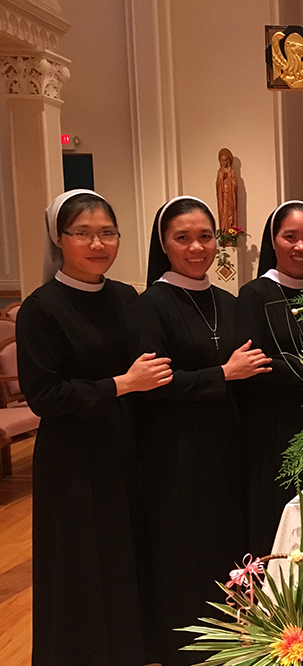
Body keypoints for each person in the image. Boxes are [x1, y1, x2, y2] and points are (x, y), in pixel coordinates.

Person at [18, 191, 172, 666]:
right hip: (73, 458)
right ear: (58, 240)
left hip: (125, 446)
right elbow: (46, 395)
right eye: (82, 233)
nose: (97, 243)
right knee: (82, 561)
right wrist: (121, 384)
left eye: (107, 232)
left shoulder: (126, 298)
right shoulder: (41, 309)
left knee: (125, 553)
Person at [128, 196, 271, 666]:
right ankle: (181, 650)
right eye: (182, 238)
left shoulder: (228, 303)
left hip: (226, 447)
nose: (196, 248)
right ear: (163, 244)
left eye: (205, 236)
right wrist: (223, 375)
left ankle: (232, 642)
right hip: (173, 450)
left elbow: (255, 370)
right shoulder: (149, 305)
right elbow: (152, 386)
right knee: (181, 549)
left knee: (225, 547)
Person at [236, 200, 303, 556]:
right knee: (275, 519)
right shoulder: (254, 294)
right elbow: (255, 366)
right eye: (291, 237)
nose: (301, 247)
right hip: (272, 430)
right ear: (274, 241)